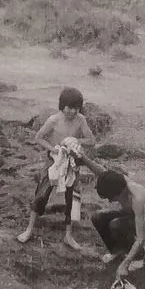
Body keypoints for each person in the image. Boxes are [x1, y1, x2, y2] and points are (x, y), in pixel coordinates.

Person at [18, 87, 95, 250]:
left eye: (76, 108)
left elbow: (92, 140)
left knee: (71, 199)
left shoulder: (81, 120)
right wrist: (53, 149)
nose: (72, 111)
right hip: (54, 161)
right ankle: (29, 229)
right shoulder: (54, 120)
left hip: (70, 162)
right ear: (62, 106)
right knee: (41, 194)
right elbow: (38, 137)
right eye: (69, 107)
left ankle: (68, 235)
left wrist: (76, 141)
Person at [77, 153, 145, 281]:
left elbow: (141, 237)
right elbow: (101, 172)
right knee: (97, 217)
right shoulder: (116, 181)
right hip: (128, 213)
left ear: (120, 192)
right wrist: (82, 158)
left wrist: (125, 265)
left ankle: (138, 256)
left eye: (111, 198)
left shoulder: (137, 197)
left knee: (116, 224)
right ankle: (117, 252)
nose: (110, 201)